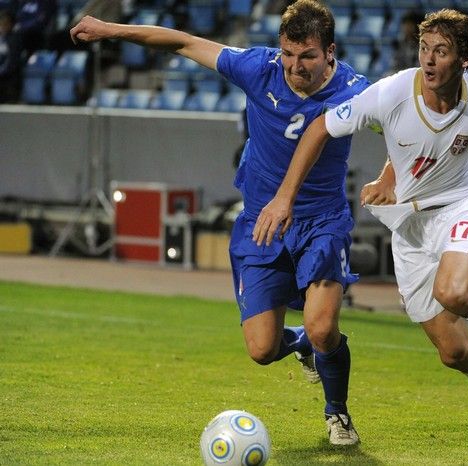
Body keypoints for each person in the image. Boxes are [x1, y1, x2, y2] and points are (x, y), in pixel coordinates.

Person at [252, 9, 468, 450]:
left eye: (441, 51)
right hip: (411, 226)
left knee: (454, 292)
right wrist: (287, 196)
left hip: (465, 204)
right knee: (454, 353)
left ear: (464, 60)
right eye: (425, 48)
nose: (429, 60)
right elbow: (320, 127)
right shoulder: (392, 93)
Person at [70, 0, 369, 446]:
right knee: (262, 350)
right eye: (288, 54)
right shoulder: (258, 68)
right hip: (260, 223)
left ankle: (337, 413)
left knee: (325, 327)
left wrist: (391, 175)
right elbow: (183, 41)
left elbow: (404, 123)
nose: (294, 66)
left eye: (307, 56)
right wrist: (110, 29)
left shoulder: (356, 89)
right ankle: (302, 344)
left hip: (321, 221)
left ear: (330, 52)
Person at [0, 9, 22, 103]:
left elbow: (12, 61)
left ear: (11, 25)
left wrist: (1, 71)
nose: (3, 27)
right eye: (1, 24)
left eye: (5, 24)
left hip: (8, 75)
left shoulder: (15, 39)